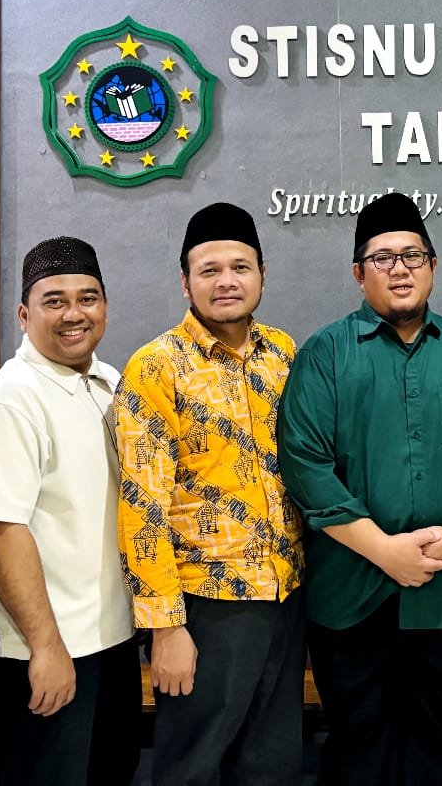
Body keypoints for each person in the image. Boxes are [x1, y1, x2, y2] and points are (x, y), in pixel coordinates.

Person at [278, 192, 442, 786]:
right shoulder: (324, 354)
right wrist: (385, 551)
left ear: (433, 265)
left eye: (413, 255)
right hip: (350, 592)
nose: (400, 269)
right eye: (382, 258)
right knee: (358, 746)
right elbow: (306, 464)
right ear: (358, 274)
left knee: (436, 742)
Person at [113, 203, 305, 786]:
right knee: (191, 769)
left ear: (262, 274)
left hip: (286, 595)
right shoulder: (156, 366)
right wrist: (166, 628)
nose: (227, 281)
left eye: (240, 267)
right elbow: (142, 506)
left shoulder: (283, 353)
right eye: (209, 270)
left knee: (272, 768)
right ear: (185, 281)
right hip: (206, 606)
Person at [0, 237, 139, 786]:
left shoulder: (110, 384)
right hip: (49, 652)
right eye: (54, 301)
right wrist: (46, 646)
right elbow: (1, 531)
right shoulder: (10, 401)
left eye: (87, 298)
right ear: (23, 314)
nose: (73, 314)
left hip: (114, 642)